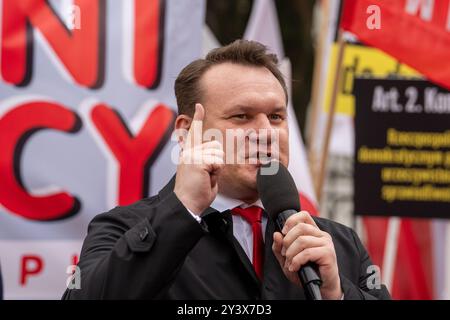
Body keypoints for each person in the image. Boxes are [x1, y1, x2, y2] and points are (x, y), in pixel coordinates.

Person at [62, 40, 390, 300]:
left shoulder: (338, 242)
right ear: (187, 131)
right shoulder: (121, 228)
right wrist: (181, 212)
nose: (266, 132)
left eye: (276, 117)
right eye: (241, 116)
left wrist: (338, 294)